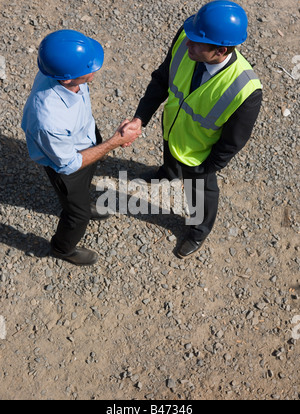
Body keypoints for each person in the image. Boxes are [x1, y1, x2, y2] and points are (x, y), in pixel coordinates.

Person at [122, 0, 262, 259]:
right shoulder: (188, 37)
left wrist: (206, 169)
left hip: (199, 156)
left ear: (221, 50)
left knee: (201, 193)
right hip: (172, 132)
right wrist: (140, 117)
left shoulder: (245, 90)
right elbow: (163, 78)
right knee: (170, 162)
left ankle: (198, 231)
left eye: (197, 43)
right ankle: (167, 174)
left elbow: (232, 143)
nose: (188, 44)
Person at [22, 30, 141, 266]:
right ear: (66, 79)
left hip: (82, 141)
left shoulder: (63, 73)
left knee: (86, 184)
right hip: (68, 163)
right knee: (77, 215)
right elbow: (69, 164)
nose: (95, 70)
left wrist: (103, 143)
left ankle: (82, 201)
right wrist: (114, 141)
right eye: (89, 68)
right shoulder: (49, 119)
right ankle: (62, 249)